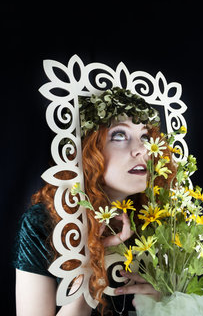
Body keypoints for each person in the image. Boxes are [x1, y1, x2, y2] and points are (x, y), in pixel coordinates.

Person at [14, 87, 176, 316]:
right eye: (120, 135)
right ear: (89, 149)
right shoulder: (46, 223)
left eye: (145, 137)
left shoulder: (160, 221)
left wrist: (166, 301)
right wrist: (92, 270)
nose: (142, 150)